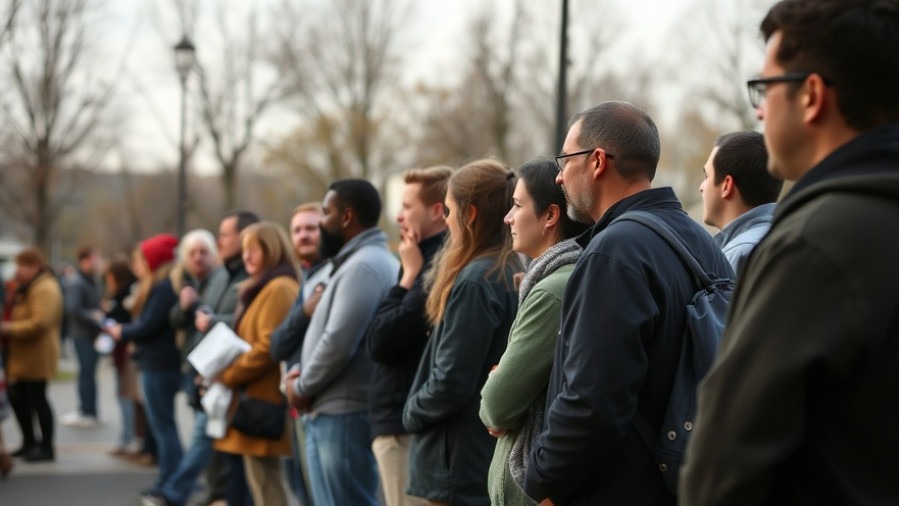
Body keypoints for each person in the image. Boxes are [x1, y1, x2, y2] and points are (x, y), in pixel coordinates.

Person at [682, 1, 899, 504]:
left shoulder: (811, 245)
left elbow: (723, 469)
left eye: (765, 87)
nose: (759, 110)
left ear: (812, 96)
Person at [522, 102, 732, 505]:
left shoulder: (614, 252)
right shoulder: (700, 242)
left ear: (597, 161)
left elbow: (592, 402)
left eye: (565, 160)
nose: (559, 175)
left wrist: (544, 483)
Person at [403, 159, 521, 506]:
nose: (446, 221)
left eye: (450, 211)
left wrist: (412, 411)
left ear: (470, 214)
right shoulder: (507, 268)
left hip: (457, 463)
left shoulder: (477, 280)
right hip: (472, 457)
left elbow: (452, 379)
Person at [479, 159, 588, 506]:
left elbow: (497, 405)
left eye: (517, 205)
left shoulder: (552, 289)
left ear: (550, 216)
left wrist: (499, 387)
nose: (508, 218)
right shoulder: (556, 279)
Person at [285, 179, 399, 506]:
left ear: (347, 218)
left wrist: (302, 388)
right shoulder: (356, 261)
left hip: (345, 414)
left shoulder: (364, 266)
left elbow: (338, 342)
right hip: (331, 411)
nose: (321, 222)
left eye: (326, 212)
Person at [365, 166, 452, 506]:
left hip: (405, 424)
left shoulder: (435, 264)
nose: (399, 216)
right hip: (400, 419)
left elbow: (380, 340)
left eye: (407, 206)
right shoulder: (418, 254)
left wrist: (409, 276)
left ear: (436, 211)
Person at [214, 221, 299, 505]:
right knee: (262, 485)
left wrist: (228, 374)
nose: (246, 257)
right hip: (253, 399)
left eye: (254, 250)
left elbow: (267, 347)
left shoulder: (278, 288)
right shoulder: (262, 287)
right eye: (244, 250)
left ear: (272, 250)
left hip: (263, 402)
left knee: (268, 488)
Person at [105, 234, 183, 494]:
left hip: (159, 365)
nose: (137, 266)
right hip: (156, 362)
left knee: (163, 428)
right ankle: (169, 481)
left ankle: (172, 482)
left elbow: (149, 325)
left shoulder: (162, 287)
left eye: (141, 260)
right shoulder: (160, 286)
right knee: (162, 427)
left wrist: (123, 332)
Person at [0, 247, 64, 463]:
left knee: (37, 399)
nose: (19, 270)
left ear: (35, 266)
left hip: (37, 355)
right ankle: (29, 442)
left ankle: (46, 447)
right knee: (18, 398)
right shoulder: (27, 286)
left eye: (23, 266)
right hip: (22, 354)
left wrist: (7, 328)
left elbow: (40, 323)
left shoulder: (45, 288)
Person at [699, 131, 782, 274]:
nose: (701, 187)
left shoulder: (738, 257)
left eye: (707, 176)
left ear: (726, 185)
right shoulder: (788, 240)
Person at [61, 245, 104, 427]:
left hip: (91, 335)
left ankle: (91, 411)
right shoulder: (76, 282)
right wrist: (93, 315)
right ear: (84, 260)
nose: (97, 262)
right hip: (82, 335)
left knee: (90, 374)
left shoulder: (90, 280)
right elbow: (73, 309)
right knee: (86, 374)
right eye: (95, 258)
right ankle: (86, 412)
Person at [102, 259, 139, 457]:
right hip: (121, 351)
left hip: (126, 352)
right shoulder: (123, 293)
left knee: (125, 396)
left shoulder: (126, 294)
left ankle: (129, 439)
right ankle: (128, 438)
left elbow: (124, 320)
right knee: (124, 396)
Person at [289, 203, 325, 276]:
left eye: (310, 228)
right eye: (297, 231)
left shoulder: (343, 268)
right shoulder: (291, 279)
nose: (303, 236)